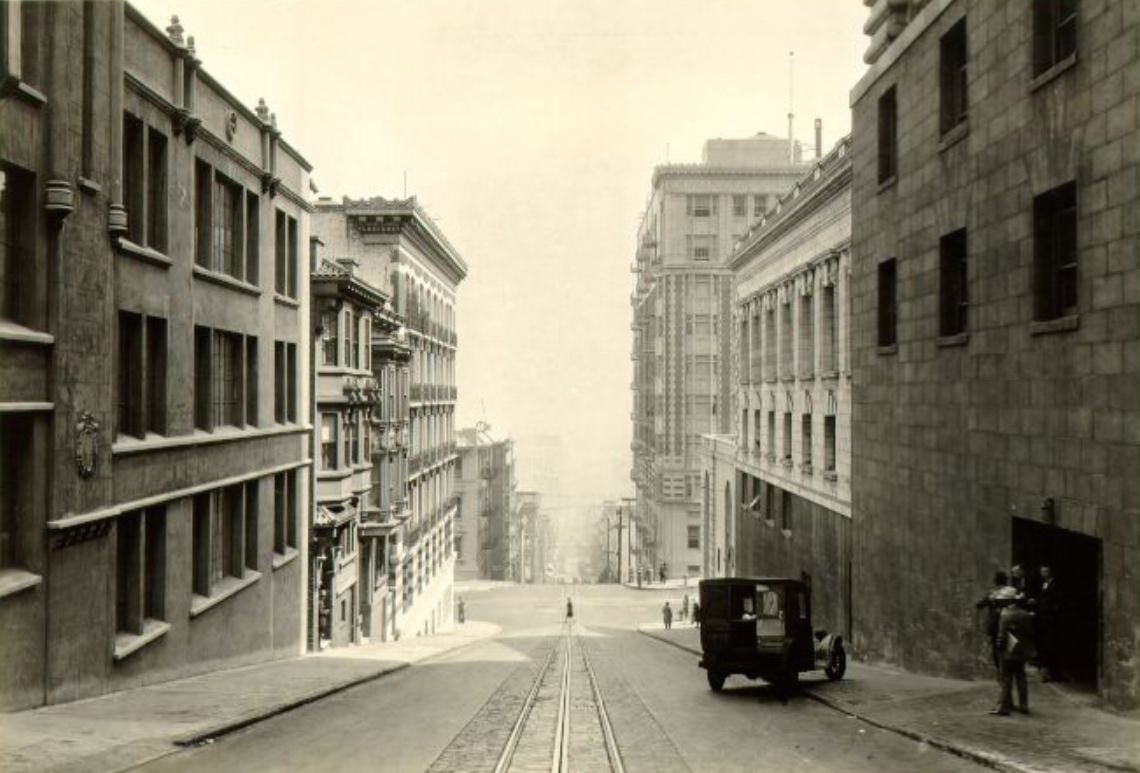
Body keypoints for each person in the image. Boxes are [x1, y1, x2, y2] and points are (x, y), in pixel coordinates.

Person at [991, 589, 1037, 716]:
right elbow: (1030, 633)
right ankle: (1024, 704)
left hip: (1008, 650)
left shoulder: (1005, 614)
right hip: (1021, 649)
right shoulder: (1025, 614)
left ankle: (1003, 707)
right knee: (1021, 677)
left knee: (1006, 678)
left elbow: (1001, 635)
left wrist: (999, 648)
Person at [976, 570, 1009, 674]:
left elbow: (979, 605)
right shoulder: (1012, 592)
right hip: (1010, 625)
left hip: (996, 625)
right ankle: (1008, 670)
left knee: (996, 648)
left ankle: (1000, 670)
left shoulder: (992, 594)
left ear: (995, 582)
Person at [1037, 565, 1063, 682]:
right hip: (1044, 620)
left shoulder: (1056, 585)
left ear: (1050, 572)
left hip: (1051, 621)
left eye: (1045, 571)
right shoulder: (1043, 584)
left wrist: (1051, 612)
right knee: (1044, 646)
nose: (1043, 574)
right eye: (1042, 572)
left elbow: (1058, 601)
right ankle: (1046, 673)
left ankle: (1054, 673)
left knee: (1052, 646)